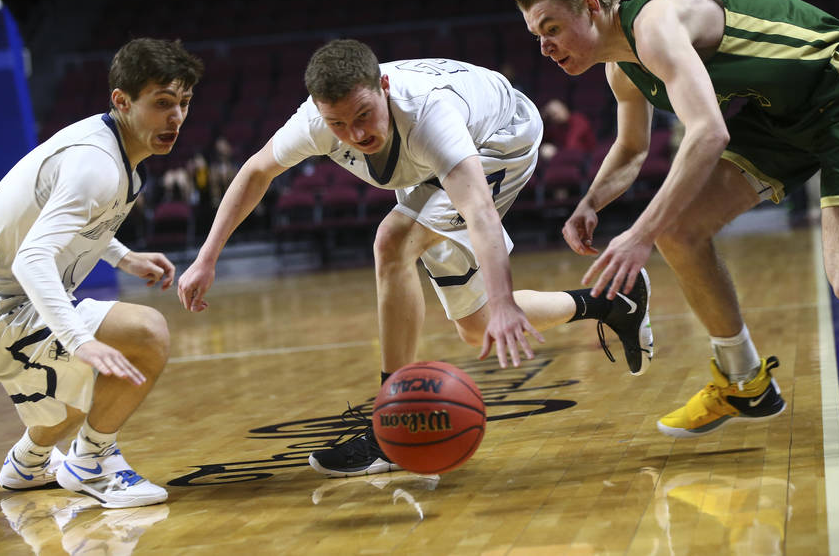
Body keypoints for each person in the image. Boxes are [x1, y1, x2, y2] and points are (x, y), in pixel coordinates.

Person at [514, 0, 839, 438]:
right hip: (779, 118)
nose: (544, 47)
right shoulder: (621, 69)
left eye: (552, 28)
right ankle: (743, 382)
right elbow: (630, 148)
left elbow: (709, 133)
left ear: (591, 5)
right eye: (536, 36)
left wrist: (640, 233)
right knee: (681, 234)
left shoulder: (656, 26)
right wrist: (590, 202)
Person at [177, 39, 654, 477]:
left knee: (393, 241)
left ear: (383, 87)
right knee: (476, 326)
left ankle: (390, 427)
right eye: (338, 124)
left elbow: (480, 212)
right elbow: (257, 170)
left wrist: (507, 298)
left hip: (500, 137)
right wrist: (206, 257)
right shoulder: (317, 122)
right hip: (428, 161)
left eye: (363, 115)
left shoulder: (429, 114)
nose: (354, 133)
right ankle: (613, 301)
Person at [0, 38, 204, 506]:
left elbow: (75, 221)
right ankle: (92, 463)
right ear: (121, 101)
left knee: (74, 392)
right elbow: (33, 259)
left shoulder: (117, 148)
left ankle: (28, 465)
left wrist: (124, 258)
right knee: (145, 334)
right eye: (163, 104)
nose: (176, 118)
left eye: (183, 103)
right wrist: (81, 341)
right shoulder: (96, 164)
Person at [539, 97, 596, 162]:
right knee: (545, 150)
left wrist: (557, 151)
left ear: (564, 108)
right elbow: (543, 140)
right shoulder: (555, 125)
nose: (555, 117)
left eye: (557, 112)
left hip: (585, 157)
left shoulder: (578, 120)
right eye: (552, 115)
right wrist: (543, 117)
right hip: (566, 155)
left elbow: (571, 145)